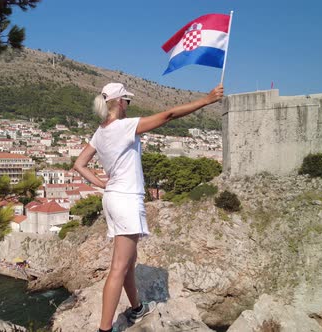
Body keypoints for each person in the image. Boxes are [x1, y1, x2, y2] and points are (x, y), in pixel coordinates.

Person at [73, 82, 224, 332]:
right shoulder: (125, 127)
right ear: (120, 102)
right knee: (119, 267)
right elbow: (169, 115)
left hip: (112, 197)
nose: (129, 106)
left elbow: (79, 164)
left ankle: (136, 308)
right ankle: (104, 329)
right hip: (126, 198)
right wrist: (206, 101)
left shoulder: (100, 132)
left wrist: (101, 182)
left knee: (128, 262)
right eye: (128, 101)